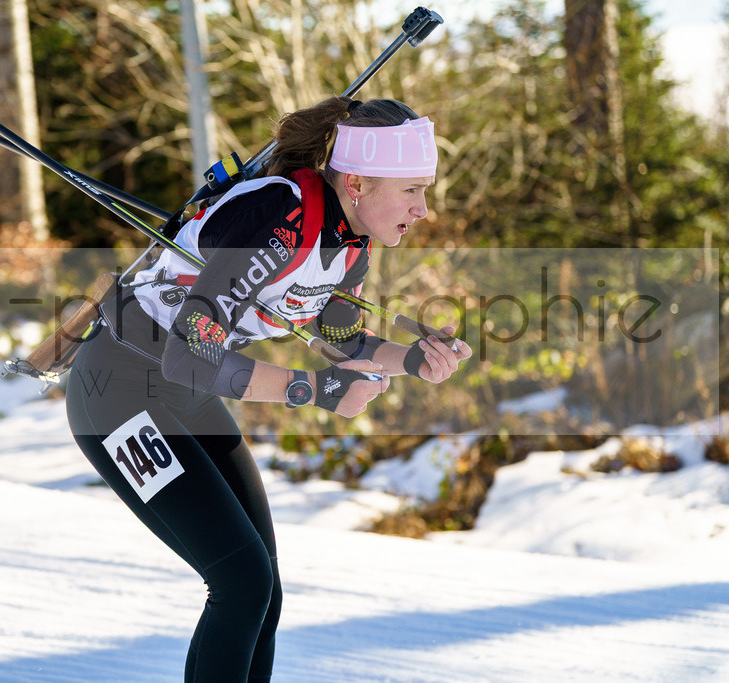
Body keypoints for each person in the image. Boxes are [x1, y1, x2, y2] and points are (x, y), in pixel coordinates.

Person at [65, 96, 472, 682]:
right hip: (119, 393)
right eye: (412, 191)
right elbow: (189, 355)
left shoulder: (347, 244)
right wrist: (316, 392)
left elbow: (343, 339)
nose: (425, 209)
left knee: (263, 591)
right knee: (239, 580)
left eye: (424, 191)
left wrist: (414, 359)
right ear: (357, 182)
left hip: (183, 396)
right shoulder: (277, 217)